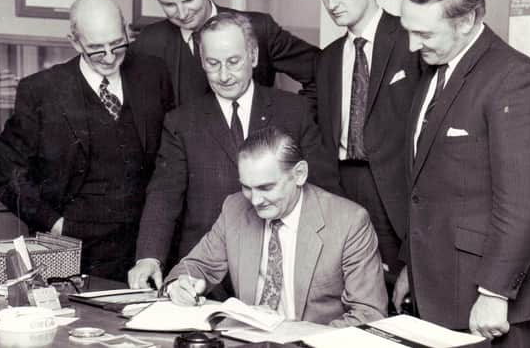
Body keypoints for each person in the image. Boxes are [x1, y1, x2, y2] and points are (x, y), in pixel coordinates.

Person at [392, 0, 530, 346]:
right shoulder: (433, 70)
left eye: (424, 34)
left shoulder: (516, 79)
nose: (412, 45)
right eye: (408, 30)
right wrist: (410, 265)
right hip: (435, 286)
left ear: (466, 20)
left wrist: (494, 292)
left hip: (488, 297)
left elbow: (525, 200)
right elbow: (426, 186)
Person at [128, 12, 340, 292]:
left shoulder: (293, 112)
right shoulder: (181, 121)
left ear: (253, 57)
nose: (224, 76)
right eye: (213, 64)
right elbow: (164, 194)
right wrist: (148, 256)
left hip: (280, 272)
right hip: (205, 277)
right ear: (201, 62)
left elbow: (324, 190)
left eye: (233, 62)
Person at [0, 0, 174, 281]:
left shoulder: (153, 75)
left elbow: (171, 161)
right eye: (96, 50)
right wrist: (55, 224)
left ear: (127, 30)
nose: (110, 57)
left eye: (117, 44)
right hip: (72, 251)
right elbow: (7, 176)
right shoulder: (41, 91)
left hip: (143, 252)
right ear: (74, 42)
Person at [165, 126, 386, 327]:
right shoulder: (235, 208)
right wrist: (179, 285)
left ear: (299, 174)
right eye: (247, 187)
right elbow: (195, 266)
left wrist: (293, 336)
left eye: (266, 187)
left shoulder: (349, 221)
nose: (255, 200)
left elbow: (369, 314)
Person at [314, 0, 421, 288]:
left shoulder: (412, 42)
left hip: (397, 197)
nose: (332, 3)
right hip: (342, 192)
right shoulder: (328, 59)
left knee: (401, 301)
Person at [125, 0, 318, 107]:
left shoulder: (260, 29)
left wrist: (291, 123)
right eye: (169, 4)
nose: (182, 13)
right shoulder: (148, 43)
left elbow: (324, 71)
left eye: (189, 0)